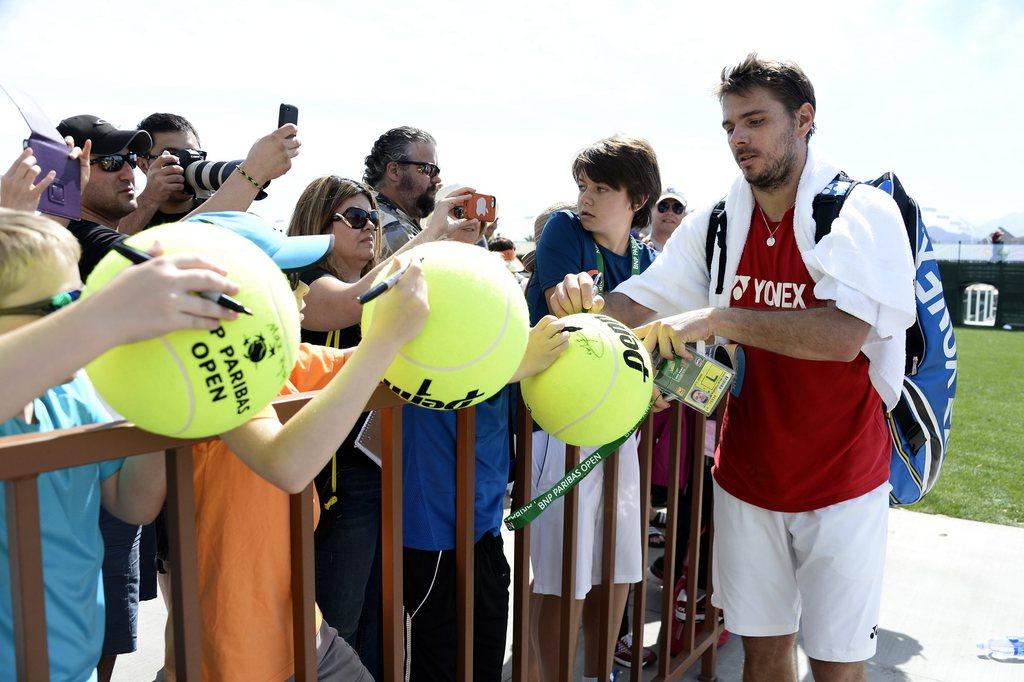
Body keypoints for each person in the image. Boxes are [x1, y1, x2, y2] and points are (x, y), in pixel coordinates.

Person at [549, 54, 916, 682]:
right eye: (728, 126)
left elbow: (844, 336)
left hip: (843, 479)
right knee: (762, 651)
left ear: (804, 120)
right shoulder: (719, 219)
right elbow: (642, 301)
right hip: (746, 475)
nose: (738, 139)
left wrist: (720, 319)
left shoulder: (859, 211)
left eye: (754, 121)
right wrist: (580, 306)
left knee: (835, 662)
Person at [157, 211, 427, 681]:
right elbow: (288, 464)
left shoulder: (275, 358)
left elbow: (385, 363)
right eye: (286, 277)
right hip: (236, 654)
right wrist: (383, 340)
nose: (303, 291)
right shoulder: (200, 377)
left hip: (304, 634)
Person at [0, 208, 238, 681]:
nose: (77, 317)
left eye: (81, 299)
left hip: (75, 661)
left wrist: (167, 392)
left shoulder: (73, 392)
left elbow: (132, 504)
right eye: (59, 307)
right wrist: (105, 315)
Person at [525, 135, 661, 682]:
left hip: (622, 431)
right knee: (564, 569)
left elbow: (654, 341)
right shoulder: (563, 230)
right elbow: (567, 309)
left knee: (619, 564)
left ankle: (599, 673)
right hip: (561, 429)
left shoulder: (649, 258)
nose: (585, 197)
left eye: (601, 188)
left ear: (637, 198)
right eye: (582, 185)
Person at [401, 270, 568, 681]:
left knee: (485, 659)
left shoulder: (500, 338)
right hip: (433, 537)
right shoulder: (426, 346)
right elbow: (438, 383)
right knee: (439, 661)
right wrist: (508, 365)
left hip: (485, 530)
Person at [286, 175, 385, 678]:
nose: (370, 227)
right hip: (331, 485)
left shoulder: (378, 282)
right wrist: (431, 237)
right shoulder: (303, 275)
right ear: (318, 224)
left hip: (376, 473)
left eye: (374, 217)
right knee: (332, 636)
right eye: (355, 217)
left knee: (372, 628)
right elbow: (350, 303)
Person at [56, 114, 300, 276]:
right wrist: (252, 172)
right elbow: (166, 253)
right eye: (111, 162)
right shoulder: (73, 239)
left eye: (129, 160)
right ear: (70, 173)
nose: (127, 173)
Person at [363, 127, 442, 256]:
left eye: (437, 171)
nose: (437, 179)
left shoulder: (371, 210)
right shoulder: (394, 229)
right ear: (394, 171)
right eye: (427, 169)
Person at [645, 187, 688, 252]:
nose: (670, 213)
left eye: (677, 208)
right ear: (651, 210)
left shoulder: (690, 253)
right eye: (663, 206)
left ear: (684, 214)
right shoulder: (637, 250)